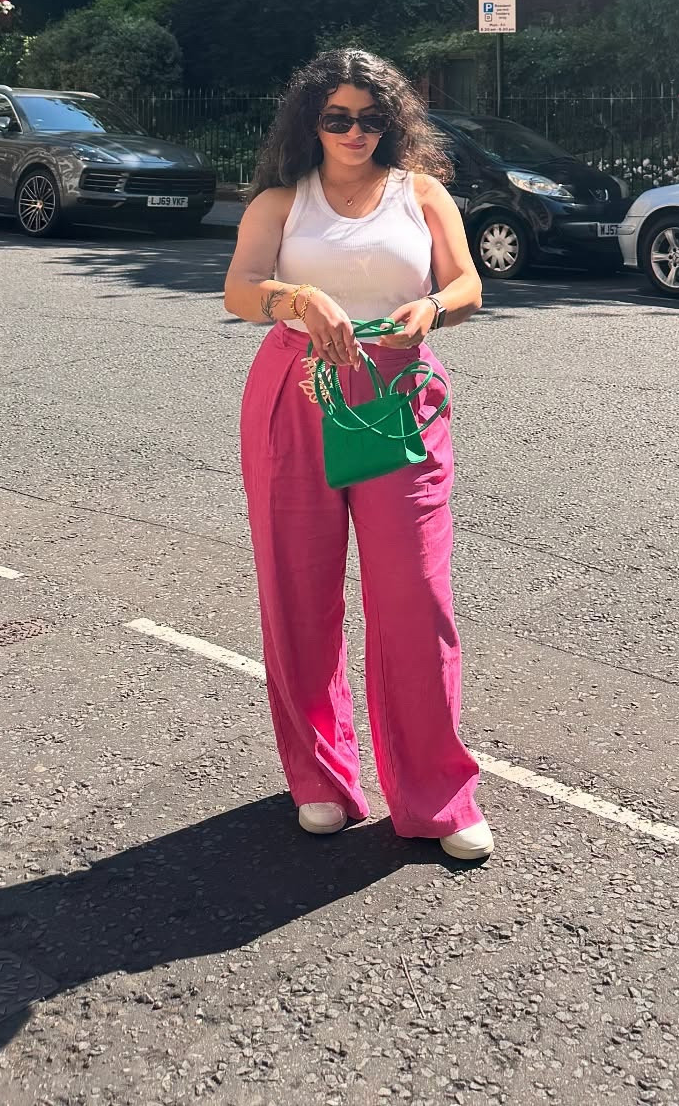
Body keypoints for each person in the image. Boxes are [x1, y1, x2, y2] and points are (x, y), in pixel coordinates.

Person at [223, 48, 492, 861]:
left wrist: (434, 310)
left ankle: (438, 795)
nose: (354, 131)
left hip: (399, 395)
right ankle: (321, 778)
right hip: (297, 393)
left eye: (372, 118)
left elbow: (469, 284)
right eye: (337, 117)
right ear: (311, 120)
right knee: (299, 594)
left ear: (393, 122)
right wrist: (297, 296)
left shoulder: (424, 195)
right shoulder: (280, 202)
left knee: (415, 597)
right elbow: (240, 289)